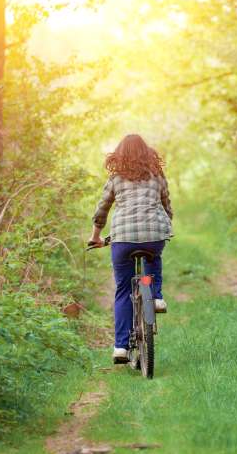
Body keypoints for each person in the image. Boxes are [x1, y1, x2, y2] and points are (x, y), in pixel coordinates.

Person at [90, 134, 173, 364]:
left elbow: (102, 209)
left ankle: (120, 347)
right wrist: (167, 226)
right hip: (154, 235)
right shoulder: (156, 175)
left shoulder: (116, 178)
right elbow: (166, 204)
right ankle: (155, 296)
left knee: (123, 288)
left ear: (120, 155)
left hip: (123, 239)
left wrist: (96, 237)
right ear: (148, 153)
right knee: (153, 259)